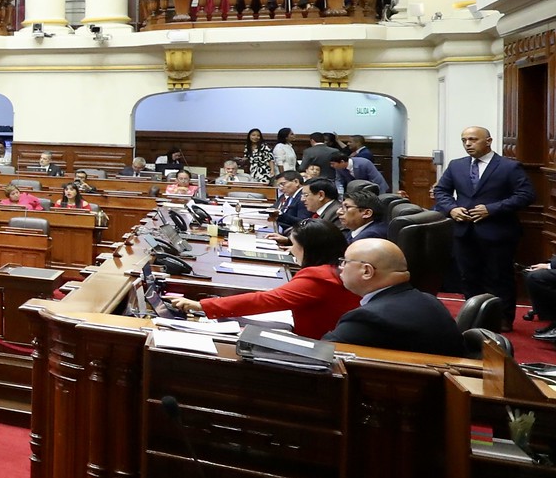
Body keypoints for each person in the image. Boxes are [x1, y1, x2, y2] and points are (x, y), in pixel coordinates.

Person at [169, 220, 358, 338]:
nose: (291, 250)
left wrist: (201, 305)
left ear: (311, 249)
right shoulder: (334, 269)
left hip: (315, 342)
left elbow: (265, 300)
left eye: (294, 245)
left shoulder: (319, 276)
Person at [433, 125, 536, 308]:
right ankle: (474, 315)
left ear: (488, 141)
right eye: (464, 140)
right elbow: (441, 190)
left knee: (499, 277)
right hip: (464, 232)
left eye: (473, 139)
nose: (467, 144)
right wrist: (452, 209)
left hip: (498, 231)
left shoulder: (509, 167)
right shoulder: (457, 165)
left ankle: (503, 318)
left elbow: (526, 195)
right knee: (468, 277)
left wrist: (492, 209)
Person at [325, 239, 464, 355]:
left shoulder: (368, 318)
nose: (340, 267)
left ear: (367, 271)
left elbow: (322, 354)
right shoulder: (429, 300)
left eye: (345, 261)